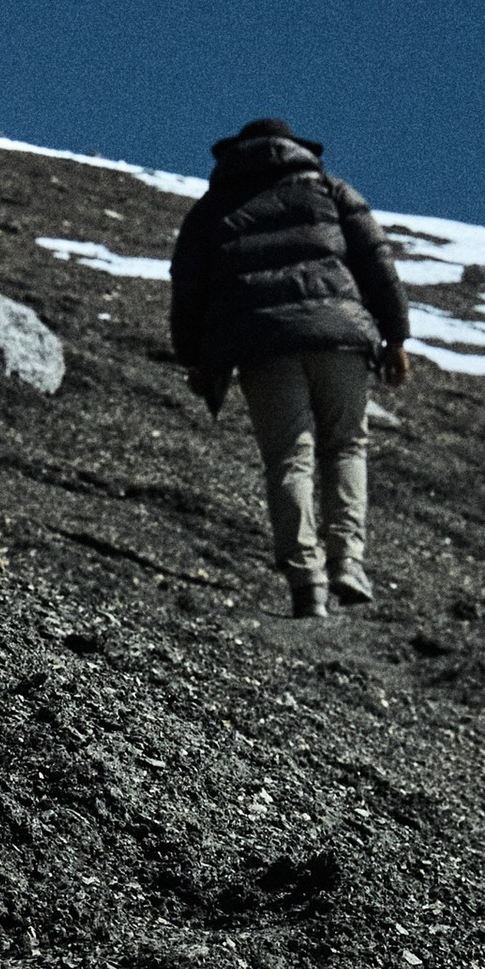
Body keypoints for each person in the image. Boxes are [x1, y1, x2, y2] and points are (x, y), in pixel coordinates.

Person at [169, 119, 411, 616]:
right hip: (339, 337)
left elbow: (188, 287)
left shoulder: (211, 209)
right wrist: (397, 337)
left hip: (262, 347)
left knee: (289, 458)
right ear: (295, 148)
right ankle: (348, 562)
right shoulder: (330, 190)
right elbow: (377, 262)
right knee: (345, 445)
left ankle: (307, 582)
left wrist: (194, 357)